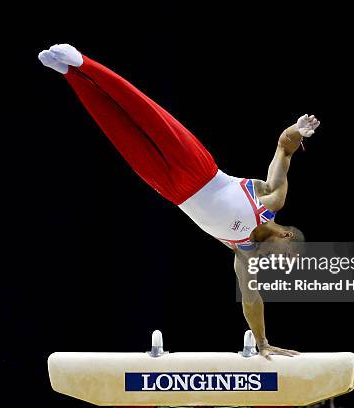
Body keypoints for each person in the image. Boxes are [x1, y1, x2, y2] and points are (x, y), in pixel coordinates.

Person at [39, 44, 320, 357]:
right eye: (285, 257)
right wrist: (297, 130)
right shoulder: (271, 199)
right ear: (287, 236)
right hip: (199, 169)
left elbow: (251, 297)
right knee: (144, 113)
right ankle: (83, 62)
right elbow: (284, 149)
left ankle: (69, 74)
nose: (275, 262)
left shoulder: (244, 254)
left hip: (171, 190)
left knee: (117, 129)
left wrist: (263, 343)